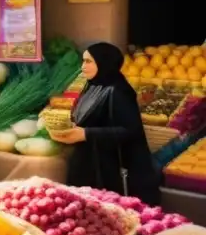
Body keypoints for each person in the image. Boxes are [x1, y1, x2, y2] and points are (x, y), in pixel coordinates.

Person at [50, 43, 160, 204]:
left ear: (103, 62)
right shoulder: (93, 85)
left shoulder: (119, 91)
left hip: (109, 171)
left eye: (88, 62)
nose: (83, 67)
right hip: (90, 163)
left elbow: (130, 130)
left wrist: (86, 134)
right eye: (83, 61)